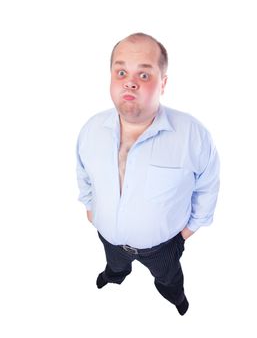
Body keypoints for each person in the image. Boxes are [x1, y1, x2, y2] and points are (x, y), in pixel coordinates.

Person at [76, 32, 220, 315]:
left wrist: (185, 234)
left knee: (169, 277)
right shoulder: (90, 130)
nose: (129, 81)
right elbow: (83, 173)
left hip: (164, 247)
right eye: (121, 72)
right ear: (111, 78)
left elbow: (208, 186)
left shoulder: (193, 135)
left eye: (144, 75)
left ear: (163, 83)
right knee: (115, 264)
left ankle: (174, 296)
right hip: (109, 237)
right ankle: (115, 275)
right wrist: (91, 209)